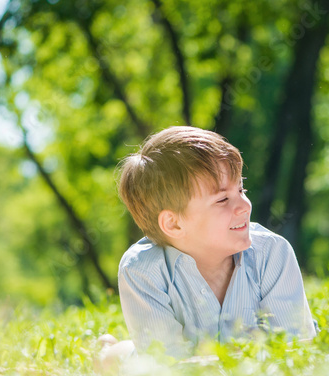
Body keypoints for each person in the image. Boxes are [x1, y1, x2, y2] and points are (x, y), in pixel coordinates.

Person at [114, 126, 316, 357]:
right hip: (157, 365)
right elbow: (168, 367)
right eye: (222, 199)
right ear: (174, 224)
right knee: (122, 360)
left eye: (242, 189)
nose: (245, 206)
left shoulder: (272, 253)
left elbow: (295, 347)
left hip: (234, 367)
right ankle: (109, 350)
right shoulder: (142, 271)